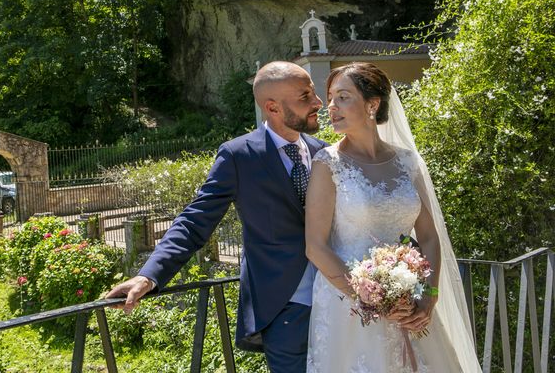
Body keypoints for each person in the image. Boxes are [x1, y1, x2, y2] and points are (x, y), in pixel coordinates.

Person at [106, 61, 327, 372]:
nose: (318, 103)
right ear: (273, 107)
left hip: (341, 302)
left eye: (314, 93)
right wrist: (149, 275)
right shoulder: (239, 156)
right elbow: (195, 220)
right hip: (285, 311)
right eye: (305, 96)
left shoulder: (327, 153)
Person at [305, 63, 481, 372]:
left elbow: (427, 236)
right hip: (351, 308)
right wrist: (371, 300)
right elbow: (316, 247)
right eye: (330, 97)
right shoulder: (327, 164)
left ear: (372, 104)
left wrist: (428, 299)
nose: (331, 107)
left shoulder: (406, 160)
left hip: (409, 301)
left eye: (343, 97)